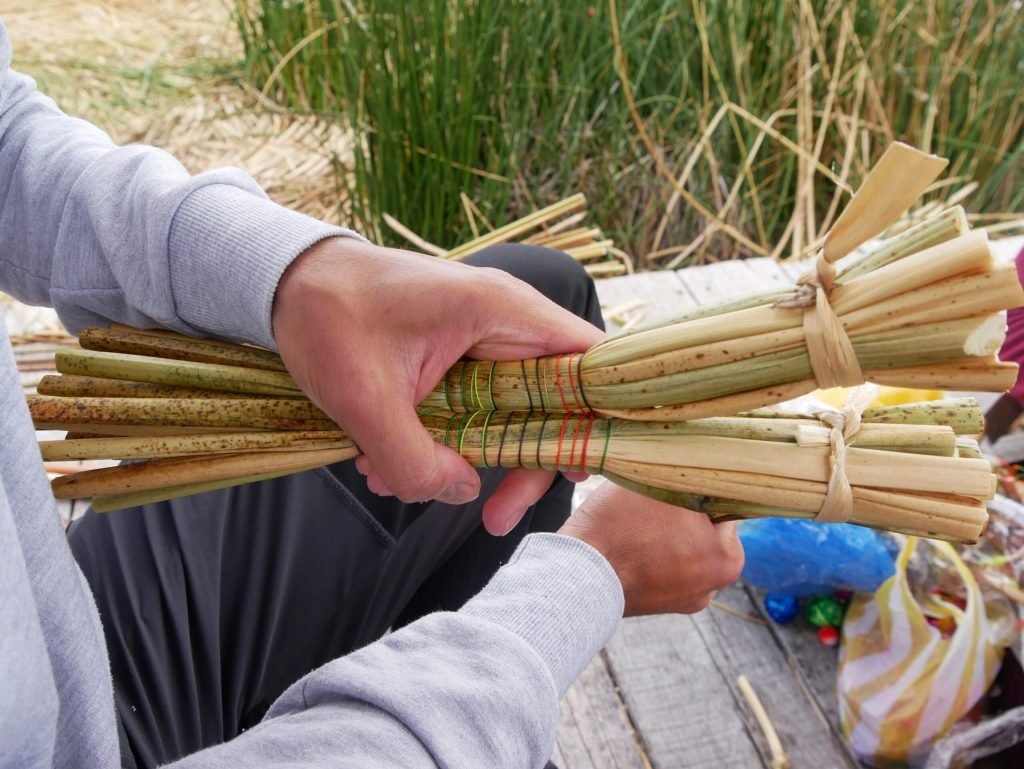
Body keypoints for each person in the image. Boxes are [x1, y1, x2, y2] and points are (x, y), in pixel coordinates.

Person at [0, 18, 743, 769]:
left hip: (67, 645)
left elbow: (6, 138)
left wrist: (294, 276)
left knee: (545, 296)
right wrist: (591, 577)